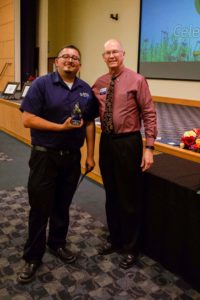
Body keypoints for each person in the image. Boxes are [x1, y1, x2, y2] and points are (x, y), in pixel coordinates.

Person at [18, 45, 97, 283]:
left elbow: (90, 123)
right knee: (40, 207)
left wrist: (90, 155)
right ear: (57, 62)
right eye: (66, 57)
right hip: (45, 156)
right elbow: (27, 119)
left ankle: (57, 243)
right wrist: (59, 128)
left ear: (79, 65)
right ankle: (33, 256)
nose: (70, 60)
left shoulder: (85, 90)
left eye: (75, 58)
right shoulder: (41, 84)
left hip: (71, 158)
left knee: (62, 205)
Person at [92, 39, 157, 269]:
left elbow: (149, 113)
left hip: (129, 143)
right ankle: (115, 239)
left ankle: (131, 247)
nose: (111, 56)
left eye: (115, 52)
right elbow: (88, 110)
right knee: (111, 193)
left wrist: (149, 147)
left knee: (129, 197)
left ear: (123, 54)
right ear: (103, 56)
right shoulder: (99, 82)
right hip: (107, 143)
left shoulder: (137, 80)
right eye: (107, 52)